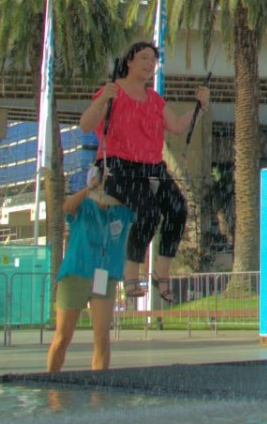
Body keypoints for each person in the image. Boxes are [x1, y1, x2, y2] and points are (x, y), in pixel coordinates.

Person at [78, 41, 209, 304]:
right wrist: (104, 97)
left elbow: (177, 126)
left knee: (177, 208)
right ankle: (131, 271)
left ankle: (162, 273)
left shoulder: (155, 100)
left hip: (151, 167)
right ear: (129, 61)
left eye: (154, 60)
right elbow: (86, 124)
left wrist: (199, 107)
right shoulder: (112, 92)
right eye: (144, 58)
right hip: (119, 167)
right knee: (148, 212)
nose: (150, 64)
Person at [47, 168, 135, 372]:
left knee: (102, 337)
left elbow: (144, 211)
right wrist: (89, 189)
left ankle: (99, 389)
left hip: (104, 276)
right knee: (62, 336)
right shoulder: (84, 206)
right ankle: (51, 382)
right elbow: (67, 207)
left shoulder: (121, 211)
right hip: (76, 273)